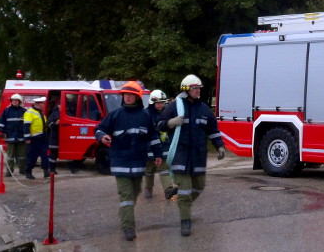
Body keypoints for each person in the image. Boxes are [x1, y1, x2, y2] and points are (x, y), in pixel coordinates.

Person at [157, 74, 226, 237]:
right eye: (195, 88)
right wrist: (171, 122)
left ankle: (182, 200)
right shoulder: (174, 107)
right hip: (181, 156)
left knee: (199, 187)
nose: (198, 91)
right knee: (186, 190)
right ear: (186, 90)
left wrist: (220, 147)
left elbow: (213, 131)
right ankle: (185, 222)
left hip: (198, 156)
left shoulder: (204, 110)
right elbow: (160, 125)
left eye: (199, 88)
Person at [95, 81, 163, 241]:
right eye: (125, 94)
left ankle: (124, 215)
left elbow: (153, 137)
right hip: (121, 162)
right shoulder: (116, 114)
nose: (128, 97)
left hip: (138, 163)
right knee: (126, 195)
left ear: (137, 97)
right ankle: (128, 228)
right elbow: (99, 129)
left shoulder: (145, 116)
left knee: (133, 194)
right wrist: (102, 137)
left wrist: (158, 154)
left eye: (131, 95)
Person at [144, 89, 173, 198]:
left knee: (164, 169)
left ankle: (168, 189)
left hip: (164, 147)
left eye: (162, 102)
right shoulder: (146, 114)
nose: (160, 105)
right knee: (149, 170)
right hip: (149, 148)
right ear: (152, 103)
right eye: (158, 103)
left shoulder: (167, 114)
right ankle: (148, 187)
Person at [0, 93, 26, 176]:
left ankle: (22, 170)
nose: (14, 102)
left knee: (22, 156)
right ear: (11, 101)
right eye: (13, 100)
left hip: (21, 136)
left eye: (16, 100)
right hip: (10, 136)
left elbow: (27, 124)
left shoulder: (24, 111)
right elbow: (1, 122)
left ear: (19, 101)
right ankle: (9, 172)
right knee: (10, 156)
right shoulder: (7, 111)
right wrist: (1, 130)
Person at [23, 96, 50, 179]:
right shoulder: (29, 113)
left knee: (45, 156)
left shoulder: (40, 112)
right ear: (38, 104)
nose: (44, 105)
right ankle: (28, 172)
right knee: (32, 156)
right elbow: (26, 126)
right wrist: (27, 138)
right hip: (34, 139)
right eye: (43, 103)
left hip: (42, 138)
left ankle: (46, 171)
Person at [47, 102, 60, 174]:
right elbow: (49, 125)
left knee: (55, 154)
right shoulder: (54, 114)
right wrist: (56, 123)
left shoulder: (66, 113)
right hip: (54, 137)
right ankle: (51, 169)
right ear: (58, 105)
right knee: (53, 154)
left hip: (61, 137)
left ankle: (53, 169)